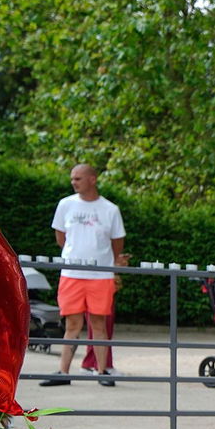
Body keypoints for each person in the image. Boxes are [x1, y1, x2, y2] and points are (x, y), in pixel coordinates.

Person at [41, 163, 126, 387]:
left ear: (92, 179)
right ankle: (63, 371)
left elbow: (117, 242)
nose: (73, 182)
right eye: (72, 178)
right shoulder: (65, 204)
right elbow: (61, 238)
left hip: (100, 275)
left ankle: (101, 372)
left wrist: (106, 262)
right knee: (72, 323)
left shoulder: (110, 209)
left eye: (78, 178)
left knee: (98, 323)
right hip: (72, 273)